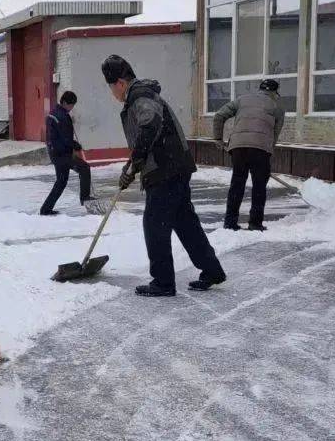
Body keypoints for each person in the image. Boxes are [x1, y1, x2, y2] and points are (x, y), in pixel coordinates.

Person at [101, 55, 227, 297]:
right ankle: (212, 270)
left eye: (110, 87)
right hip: (174, 167)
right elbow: (143, 139)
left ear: (119, 83)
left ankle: (163, 282)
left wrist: (136, 162)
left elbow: (150, 126)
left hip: (165, 169)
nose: (112, 93)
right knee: (186, 224)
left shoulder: (140, 96)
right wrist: (132, 165)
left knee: (154, 225)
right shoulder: (142, 94)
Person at [213, 79, 285, 232]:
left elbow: (219, 115)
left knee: (237, 185)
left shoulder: (242, 100)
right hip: (260, 149)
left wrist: (218, 139)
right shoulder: (277, 107)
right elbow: (274, 134)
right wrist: (268, 152)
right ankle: (255, 223)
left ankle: (230, 222)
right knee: (259, 187)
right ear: (274, 92)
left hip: (238, 148)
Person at [40, 91, 96, 216]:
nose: (72, 108)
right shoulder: (62, 116)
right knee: (84, 168)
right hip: (62, 154)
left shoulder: (55, 113)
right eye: (71, 105)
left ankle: (45, 209)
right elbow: (65, 138)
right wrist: (75, 144)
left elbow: (60, 136)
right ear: (65, 102)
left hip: (55, 152)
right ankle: (85, 198)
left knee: (61, 181)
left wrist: (71, 143)